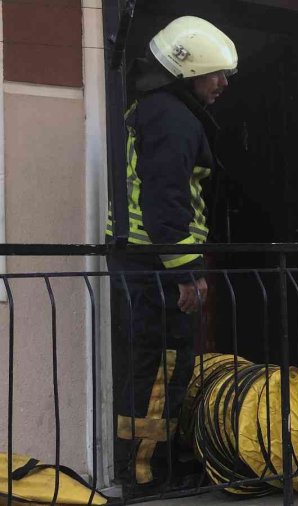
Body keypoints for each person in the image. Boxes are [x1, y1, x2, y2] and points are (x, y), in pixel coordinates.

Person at [106, 16, 237, 493]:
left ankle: (146, 465)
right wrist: (187, 273)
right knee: (160, 371)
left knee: (152, 366)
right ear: (189, 70)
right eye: (217, 74)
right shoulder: (174, 118)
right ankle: (146, 474)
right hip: (156, 263)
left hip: (143, 260)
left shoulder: (153, 110)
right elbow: (166, 200)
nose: (223, 83)